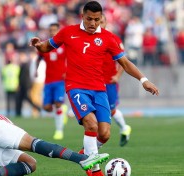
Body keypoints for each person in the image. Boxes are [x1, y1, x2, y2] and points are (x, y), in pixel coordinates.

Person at [30, 1, 159, 175]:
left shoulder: (108, 38)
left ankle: (86, 152)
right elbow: (47, 47)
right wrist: (39, 45)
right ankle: (94, 170)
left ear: (101, 19)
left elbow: (125, 63)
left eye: (97, 20)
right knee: (91, 125)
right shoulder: (68, 32)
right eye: (89, 19)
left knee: (104, 134)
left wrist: (144, 80)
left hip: (99, 89)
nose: (93, 23)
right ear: (82, 16)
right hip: (76, 87)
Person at [100, 14, 132, 147]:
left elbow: (123, 61)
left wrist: (117, 76)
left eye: (101, 21)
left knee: (111, 110)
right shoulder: (88, 39)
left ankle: (124, 128)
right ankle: (94, 146)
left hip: (109, 81)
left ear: (106, 23)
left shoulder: (114, 39)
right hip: (94, 81)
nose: (98, 24)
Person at [36, 23, 67, 140]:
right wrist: (36, 70)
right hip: (48, 80)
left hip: (60, 80)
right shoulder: (46, 45)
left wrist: (68, 71)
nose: (53, 32)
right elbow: (39, 58)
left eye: (55, 30)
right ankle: (62, 110)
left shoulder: (64, 46)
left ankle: (59, 131)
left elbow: (70, 59)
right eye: (51, 30)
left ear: (59, 31)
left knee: (58, 104)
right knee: (47, 107)